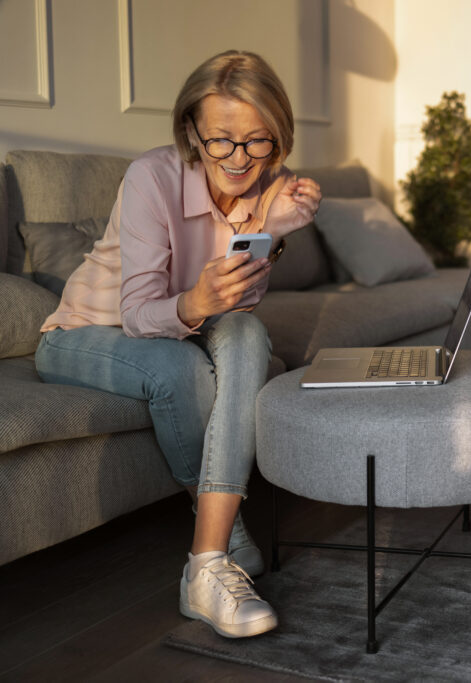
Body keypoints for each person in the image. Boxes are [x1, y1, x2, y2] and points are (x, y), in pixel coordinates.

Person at [34, 50, 322, 638]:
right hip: (86, 333)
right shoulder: (152, 176)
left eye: (258, 141)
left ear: (278, 138)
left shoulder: (267, 188)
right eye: (220, 141)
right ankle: (223, 542)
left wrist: (269, 229)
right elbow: (140, 315)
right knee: (181, 371)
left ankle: (204, 564)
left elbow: (237, 311)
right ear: (191, 131)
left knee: (250, 333)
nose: (239, 160)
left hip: (182, 327)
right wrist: (197, 302)